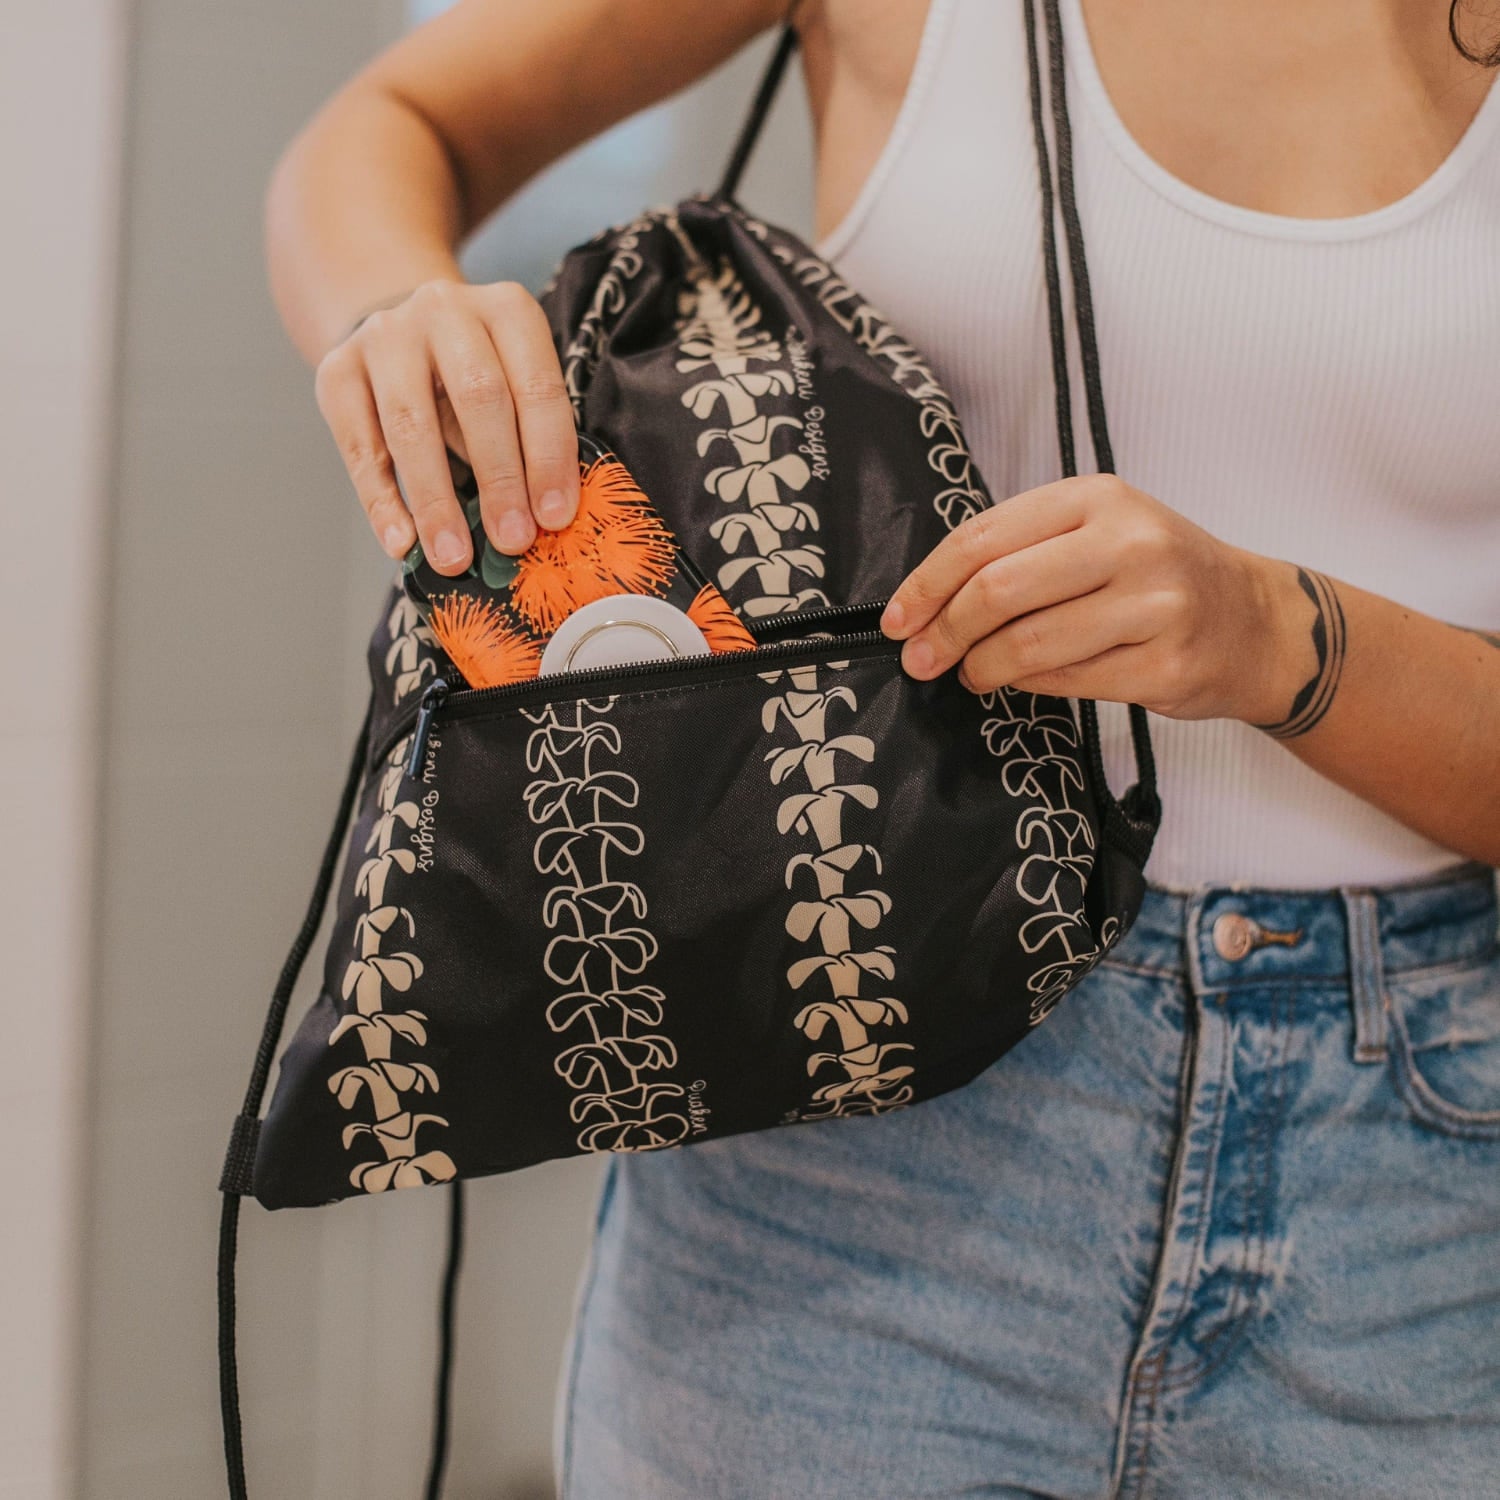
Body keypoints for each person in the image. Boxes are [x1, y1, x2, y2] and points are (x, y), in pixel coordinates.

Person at [266, 1, 1500, 1493]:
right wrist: (396, 317)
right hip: (858, 1119)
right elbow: (395, 129)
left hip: (1420, 1189)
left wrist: (1281, 639)